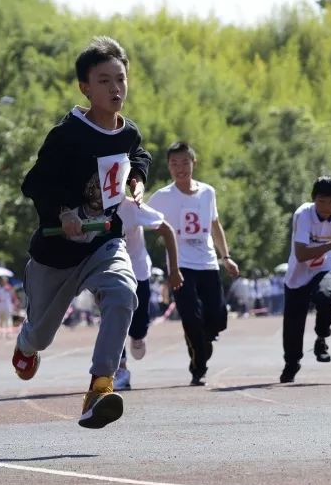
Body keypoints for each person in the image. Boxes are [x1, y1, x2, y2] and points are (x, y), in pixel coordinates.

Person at [13, 36, 150, 429]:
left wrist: (136, 179)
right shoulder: (66, 135)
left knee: (125, 293)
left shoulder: (128, 132)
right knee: (40, 337)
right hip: (57, 252)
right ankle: (26, 342)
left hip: (104, 241)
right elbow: (34, 184)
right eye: (104, 81)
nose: (115, 89)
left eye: (120, 79)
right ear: (85, 87)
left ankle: (100, 387)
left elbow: (138, 154)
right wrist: (64, 211)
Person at [147, 142, 239, 386]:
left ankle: (202, 342)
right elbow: (141, 217)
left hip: (208, 263)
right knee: (191, 317)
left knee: (218, 317)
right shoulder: (163, 197)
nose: (180, 168)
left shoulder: (207, 192)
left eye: (184, 163)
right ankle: (198, 368)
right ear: (168, 166)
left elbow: (215, 225)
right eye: (174, 164)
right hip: (181, 266)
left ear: (193, 163)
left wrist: (225, 256)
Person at [278, 177, 331, 383]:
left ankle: (321, 338)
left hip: (326, 267)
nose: (326, 207)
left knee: (325, 297)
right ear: (313, 200)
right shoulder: (303, 215)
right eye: (321, 201)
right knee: (293, 323)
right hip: (299, 272)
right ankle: (291, 363)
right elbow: (301, 254)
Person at [112, 198, 182, 391]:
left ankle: (138, 334)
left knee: (138, 326)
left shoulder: (131, 207)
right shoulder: (90, 207)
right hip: (109, 273)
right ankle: (121, 369)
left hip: (138, 272)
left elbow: (167, 230)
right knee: (113, 320)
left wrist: (174, 269)